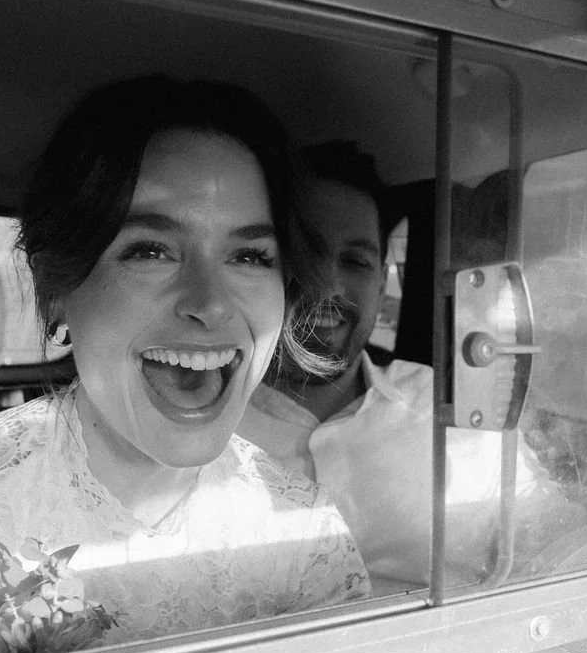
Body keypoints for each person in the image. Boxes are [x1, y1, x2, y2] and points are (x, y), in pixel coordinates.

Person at [0, 77, 369, 653]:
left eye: (249, 256)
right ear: (56, 290)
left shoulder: (301, 531)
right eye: (149, 250)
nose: (211, 303)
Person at [237, 142, 560, 593]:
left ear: (381, 276)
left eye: (355, 261)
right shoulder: (195, 422)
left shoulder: (452, 412)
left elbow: (558, 537)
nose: (328, 285)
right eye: (303, 254)